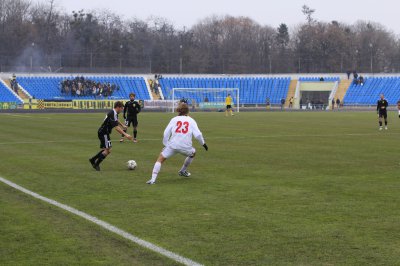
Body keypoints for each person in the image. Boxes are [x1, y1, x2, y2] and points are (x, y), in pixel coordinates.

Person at [146, 102, 208, 185]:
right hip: (186, 147)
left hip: (173, 146)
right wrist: (203, 144)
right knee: (193, 153)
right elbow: (198, 135)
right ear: (188, 111)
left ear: (179, 111)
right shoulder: (191, 120)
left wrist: (166, 145)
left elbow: (166, 133)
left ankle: (153, 180)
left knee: (160, 159)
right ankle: (182, 170)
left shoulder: (174, 119)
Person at [89, 101, 132, 171]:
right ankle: (96, 164)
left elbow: (116, 120)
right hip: (103, 133)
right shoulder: (112, 113)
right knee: (107, 150)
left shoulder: (114, 113)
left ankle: (92, 160)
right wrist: (126, 134)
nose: (122, 110)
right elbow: (116, 128)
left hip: (104, 132)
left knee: (106, 149)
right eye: (121, 108)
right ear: (118, 107)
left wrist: (122, 125)